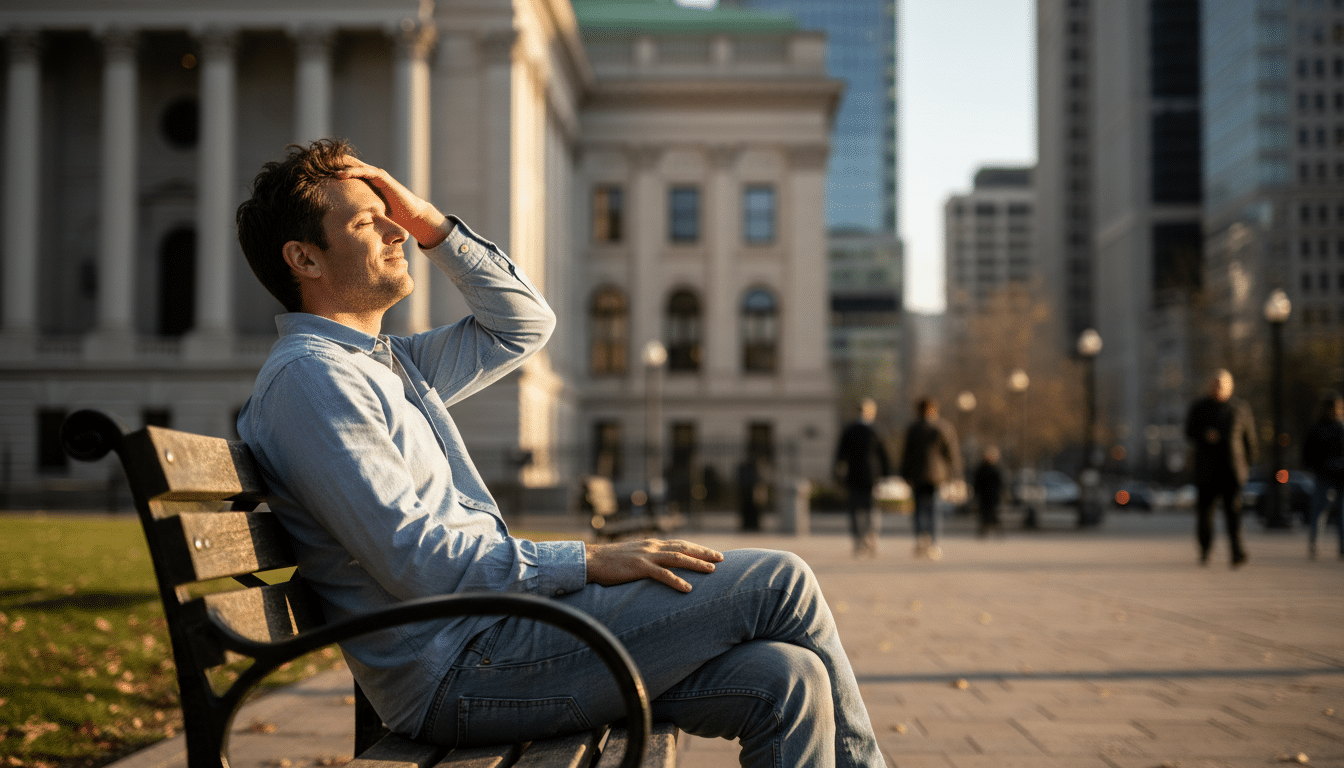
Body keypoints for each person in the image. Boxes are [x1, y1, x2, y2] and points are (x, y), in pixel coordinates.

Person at [232, 140, 884, 767]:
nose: (395, 232)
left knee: (787, 678)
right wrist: (589, 561)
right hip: (461, 669)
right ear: (305, 259)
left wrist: (431, 223)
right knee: (781, 581)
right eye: (370, 223)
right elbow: (418, 562)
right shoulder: (313, 379)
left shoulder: (386, 363)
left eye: (392, 218)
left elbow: (524, 323)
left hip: (498, 639)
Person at [1183, 369, 1257, 567]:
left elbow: (1249, 439)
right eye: (1215, 383)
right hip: (1206, 470)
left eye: (1222, 384)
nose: (1218, 388)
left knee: (1234, 512)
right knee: (1205, 513)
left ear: (1230, 387)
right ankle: (1205, 549)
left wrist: (1248, 464)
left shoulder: (1240, 408)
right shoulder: (1199, 408)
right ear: (1209, 385)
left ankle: (1236, 552)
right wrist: (1204, 434)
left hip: (1232, 469)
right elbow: (1188, 431)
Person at [899, 397, 962, 559]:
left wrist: (904, 474)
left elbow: (907, 454)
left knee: (919, 508)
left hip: (917, 475)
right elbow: (952, 454)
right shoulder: (943, 427)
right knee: (934, 509)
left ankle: (921, 536)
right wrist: (956, 475)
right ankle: (933, 542)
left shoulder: (914, 428)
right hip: (937, 475)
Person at [833, 398, 891, 556]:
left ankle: (859, 541)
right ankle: (871, 538)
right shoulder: (876, 429)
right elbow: (884, 455)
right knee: (871, 509)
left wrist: (837, 474)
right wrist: (887, 474)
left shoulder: (849, 429)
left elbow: (840, 455)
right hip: (871, 476)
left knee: (855, 509)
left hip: (853, 475)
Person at [1303, 392, 1344, 559]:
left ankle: (1340, 546)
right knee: (1320, 509)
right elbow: (1308, 453)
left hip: (1341, 475)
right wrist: (1317, 468)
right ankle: (1314, 543)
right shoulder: (1318, 429)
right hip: (1323, 474)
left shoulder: (1340, 428)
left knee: (1339, 512)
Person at [972, 446, 1006, 538]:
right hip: (984, 495)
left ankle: (995, 530)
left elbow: (1001, 483)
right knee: (985, 514)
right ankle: (984, 530)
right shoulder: (982, 468)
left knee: (993, 514)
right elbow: (977, 482)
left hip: (993, 495)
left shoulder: (997, 468)